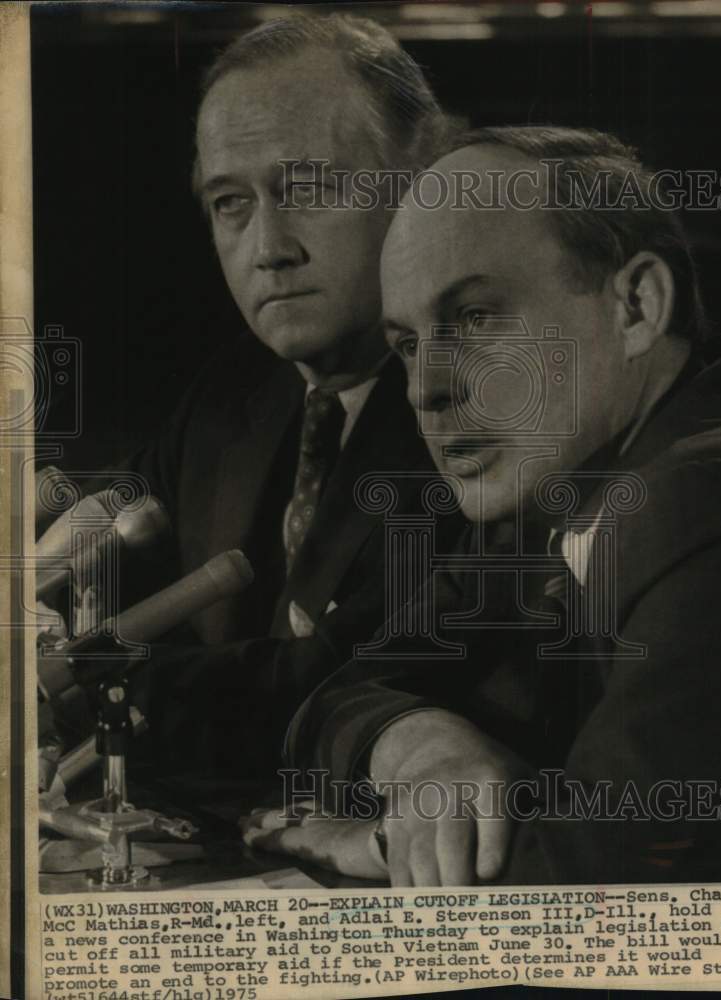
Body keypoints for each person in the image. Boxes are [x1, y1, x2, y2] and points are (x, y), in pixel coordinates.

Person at [247, 126, 721, 886]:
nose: (425, 390)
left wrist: (376, 840)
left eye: (477, 318)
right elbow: (337, 690)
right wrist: (423, 746)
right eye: (410, 344)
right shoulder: (562, 473)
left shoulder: (714, 501)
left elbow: (602, 882)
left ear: (637, 306)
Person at [40, 12, 462, 783]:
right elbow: (109, 543)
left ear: (423, 178)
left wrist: (77, 684)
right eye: (232, 203)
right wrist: (39, 609)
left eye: (312, 186)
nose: (270, 249)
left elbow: (327, 680)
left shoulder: (475, 407)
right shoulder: (235, 389)